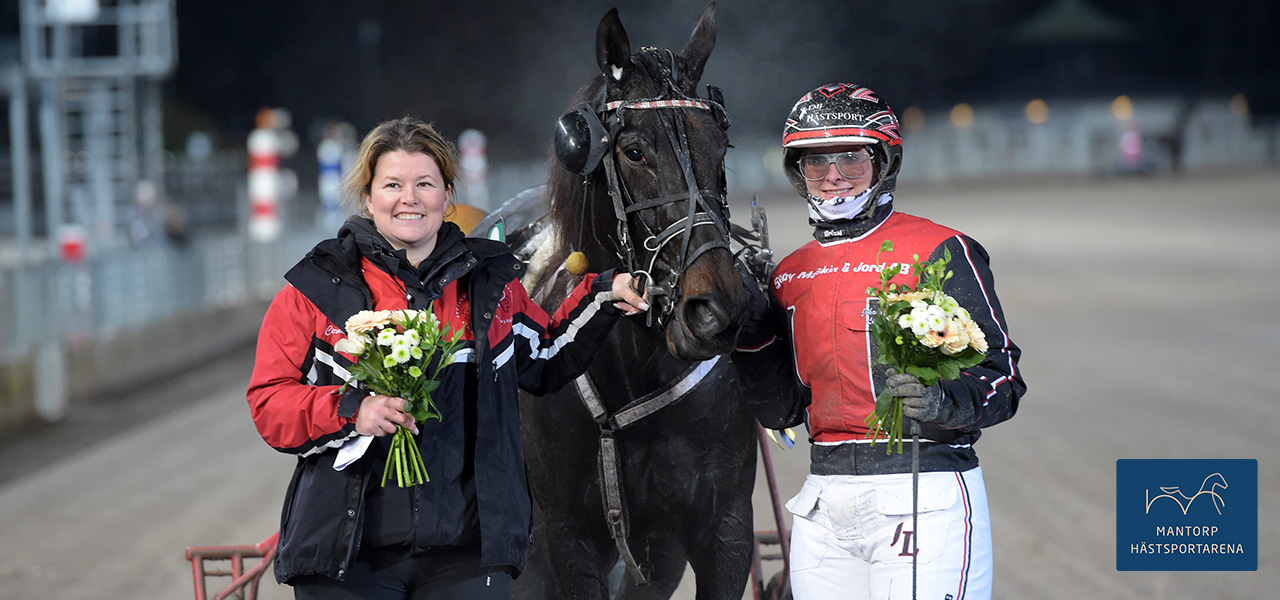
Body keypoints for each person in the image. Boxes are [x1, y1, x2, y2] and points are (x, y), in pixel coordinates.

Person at [246, 116, 648, 600]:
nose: (408, 198)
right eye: (392, 184)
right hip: (346, 561)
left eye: (425, 184)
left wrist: (604, 294)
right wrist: (353, 411)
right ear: (369, 198)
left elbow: (545, 357)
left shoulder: (491, 285)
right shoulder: (313, 289)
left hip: (467, 556)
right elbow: (270, 404)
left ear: (447, 196)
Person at [734, 83, 1024, 599]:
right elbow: (781, 410)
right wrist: (751, 327)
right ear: (797, 174)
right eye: (816, 163)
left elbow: (1003, 378)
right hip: (823, 501)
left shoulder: (941, 248)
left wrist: (945, 403)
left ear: (884, 161)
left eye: (851, 158)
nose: (833, 176)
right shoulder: (788, 275)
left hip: (926, 492)